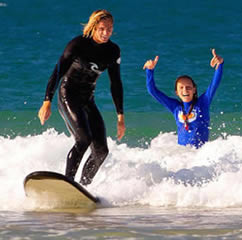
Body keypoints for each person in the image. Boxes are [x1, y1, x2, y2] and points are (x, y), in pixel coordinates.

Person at [38, 9, 125, 185]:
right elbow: (58, 71)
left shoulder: (112, 50)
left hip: (87, 99)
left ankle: (83, 187)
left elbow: (116, 83)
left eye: (109, 28)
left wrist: (120, 115)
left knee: (101, 150)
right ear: (93, 27)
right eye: (102, 28)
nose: (106, 32)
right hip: (68, 94)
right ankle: (68, 182)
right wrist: (47, 101)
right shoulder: (78, 44)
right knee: (84, 139)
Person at [143, 49, 224, 148]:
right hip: (183, 156)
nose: (185, 90)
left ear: (194, 90)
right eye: (181, 88)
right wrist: (149, 70)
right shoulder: (175, 107)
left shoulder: (203, 103)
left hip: (201, 155)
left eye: (188, 87)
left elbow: (214, 84)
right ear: (177, 93)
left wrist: (220, 65)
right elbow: (153, 91)